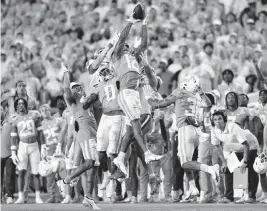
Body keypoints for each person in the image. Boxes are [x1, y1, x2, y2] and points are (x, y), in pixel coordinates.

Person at [148, 75, 220, 202]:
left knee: (185, 163)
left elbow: (159, 104)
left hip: (185, 129)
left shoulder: (180, 92)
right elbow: (208, 103)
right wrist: (201, 91)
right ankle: (192, 187)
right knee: (185, 160)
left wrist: (147, 98)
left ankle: (210, 169)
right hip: (197, 131)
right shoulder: (197, 95)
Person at [110, 12, 163, 174]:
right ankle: (147, 153)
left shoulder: (134, 57)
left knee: (129, 131)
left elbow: (144, 45)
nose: (127, 46)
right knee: (136, 125)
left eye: (128, 45)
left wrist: (145, 25)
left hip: (133, 94)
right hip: (126, 92)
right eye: (125, 45)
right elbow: (121, 40)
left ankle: (120, 157)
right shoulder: (117, 55)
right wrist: (131, 22)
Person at [62, 63, 100, 210]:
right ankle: (68, 179)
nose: (79, 88)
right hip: (85, 134)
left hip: (93, 134)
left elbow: (99, 100)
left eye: (80, 86)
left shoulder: (87, 101)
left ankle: (88, 198)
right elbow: (65, 89)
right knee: (89, 163)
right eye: (75, 87)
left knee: (94, 168)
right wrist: (66, 73)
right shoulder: (74, 101)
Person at [211, 110, 260, 203]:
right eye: (215, 119)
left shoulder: (233, 127)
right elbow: (217, 146)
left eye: (220, 119)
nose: (218, 121)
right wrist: (224, 163)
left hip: (250, 145)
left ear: (224, 119)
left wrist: (245, 162)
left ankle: (251, 196)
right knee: (228, 169)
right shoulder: (214, 130)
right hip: (235, 148)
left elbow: (246, 145)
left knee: (248, 168)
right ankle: (229, 197)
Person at [9, 98, 44, 204]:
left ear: (26, 104)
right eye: (19, 104)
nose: (21, 105)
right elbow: (13, 137)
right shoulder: (14, 118)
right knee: (21, 172)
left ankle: (38, 197)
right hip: (22, 147)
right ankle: (20, 197)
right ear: (16, 106)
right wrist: (13, 151)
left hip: (34, 146)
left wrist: (43, 146)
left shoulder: (34, 115)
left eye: (23, 103)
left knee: (36, 172)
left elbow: (41, 132)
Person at [40, 104, 67, 203]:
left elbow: (64, 130)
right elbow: (41, 137)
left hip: (59, 149)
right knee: (49, 175)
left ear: (49, 110)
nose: (44, 111)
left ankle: (65, 195)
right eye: (42, 110)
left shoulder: (58, 120)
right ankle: (52, 196)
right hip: (49, 150)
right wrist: (42, 149)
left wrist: (62, 146)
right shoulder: (41, 124)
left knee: (62, 172)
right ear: (41, 113)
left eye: (46, 109)